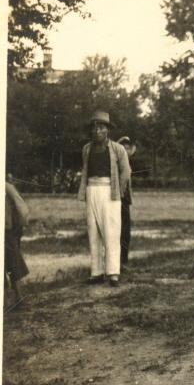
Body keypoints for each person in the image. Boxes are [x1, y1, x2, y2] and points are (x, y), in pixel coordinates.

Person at [78, 111, 131, 287]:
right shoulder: (86, 149)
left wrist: (118, 191)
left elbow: (126, 172)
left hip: (110, 192)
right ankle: (96, 272)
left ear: (107, 130)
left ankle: (113, 273)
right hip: (91, 190)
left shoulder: (117, 149)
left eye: (101, 127)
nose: (97, 131)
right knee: (93, 232)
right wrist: (86, 191)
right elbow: (86, 171)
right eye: (94, 128)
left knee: (111, 233)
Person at [4, 174, 30, 311]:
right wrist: (22, 224)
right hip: (6, 231)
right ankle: (14, 300)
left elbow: (22, 209)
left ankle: (12, 300)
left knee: (9, 264)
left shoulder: (5, 187)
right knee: (13, 263)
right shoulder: (7, 187)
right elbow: (23, 210)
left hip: (5, 230)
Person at [117, 136, 136, 273]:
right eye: (123, 148)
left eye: (128, 148)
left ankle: (123, 260)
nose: (126, 151)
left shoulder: (127, 163)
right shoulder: (117, 163)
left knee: (125, 232)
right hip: (118, 199)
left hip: (125, 200)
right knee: (120, 231)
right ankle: (119, 262)